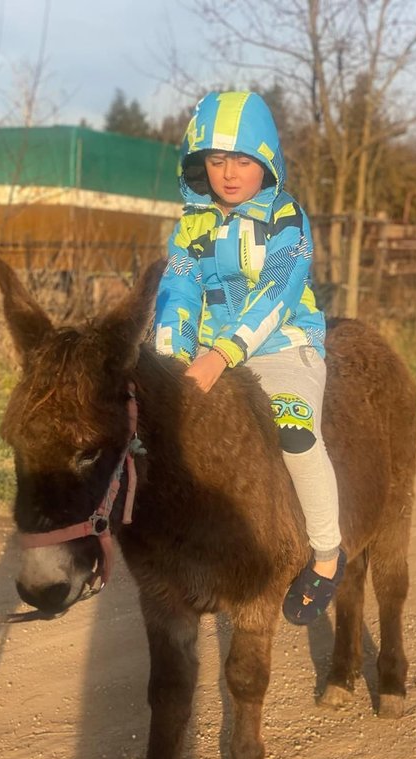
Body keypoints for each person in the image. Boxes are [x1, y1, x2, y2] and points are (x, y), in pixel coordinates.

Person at [154, 90, 344, 625]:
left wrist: (219, 355)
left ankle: (327, 556)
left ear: (267, 161)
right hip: (212, 355)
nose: (230, 174)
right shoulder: (191, 227)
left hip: (284, 345)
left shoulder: (287, 217)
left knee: (294, 430)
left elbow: (279, 291)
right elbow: (178, 294)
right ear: (199, 165)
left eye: (242, 160)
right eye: (217, 161)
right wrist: (169, 364)